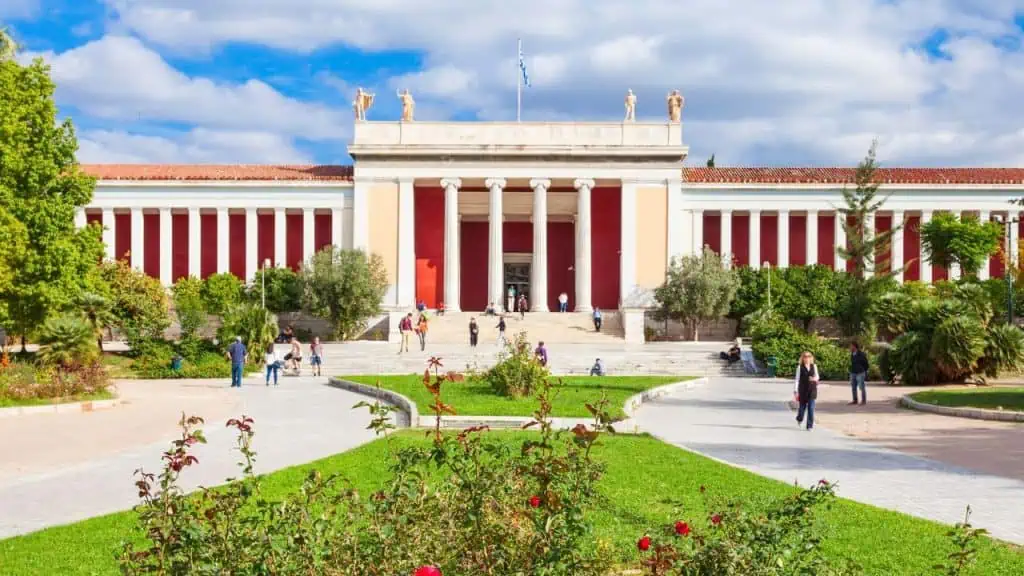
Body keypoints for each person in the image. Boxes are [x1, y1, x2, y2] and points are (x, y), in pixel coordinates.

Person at [793, 351, 819, 431]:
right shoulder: (799, 367)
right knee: (802, 408)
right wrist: (795, 390)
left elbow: (817, 376)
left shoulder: (814, 366)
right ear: (802, 358)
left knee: (811, 408)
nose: (807, 358)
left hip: (812, 390)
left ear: (811, 358)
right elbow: (797, 379)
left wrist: (814, 379)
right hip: (803, 390)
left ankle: (809, 426)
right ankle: (799, 418)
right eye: (805, 356)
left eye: (808, 356)